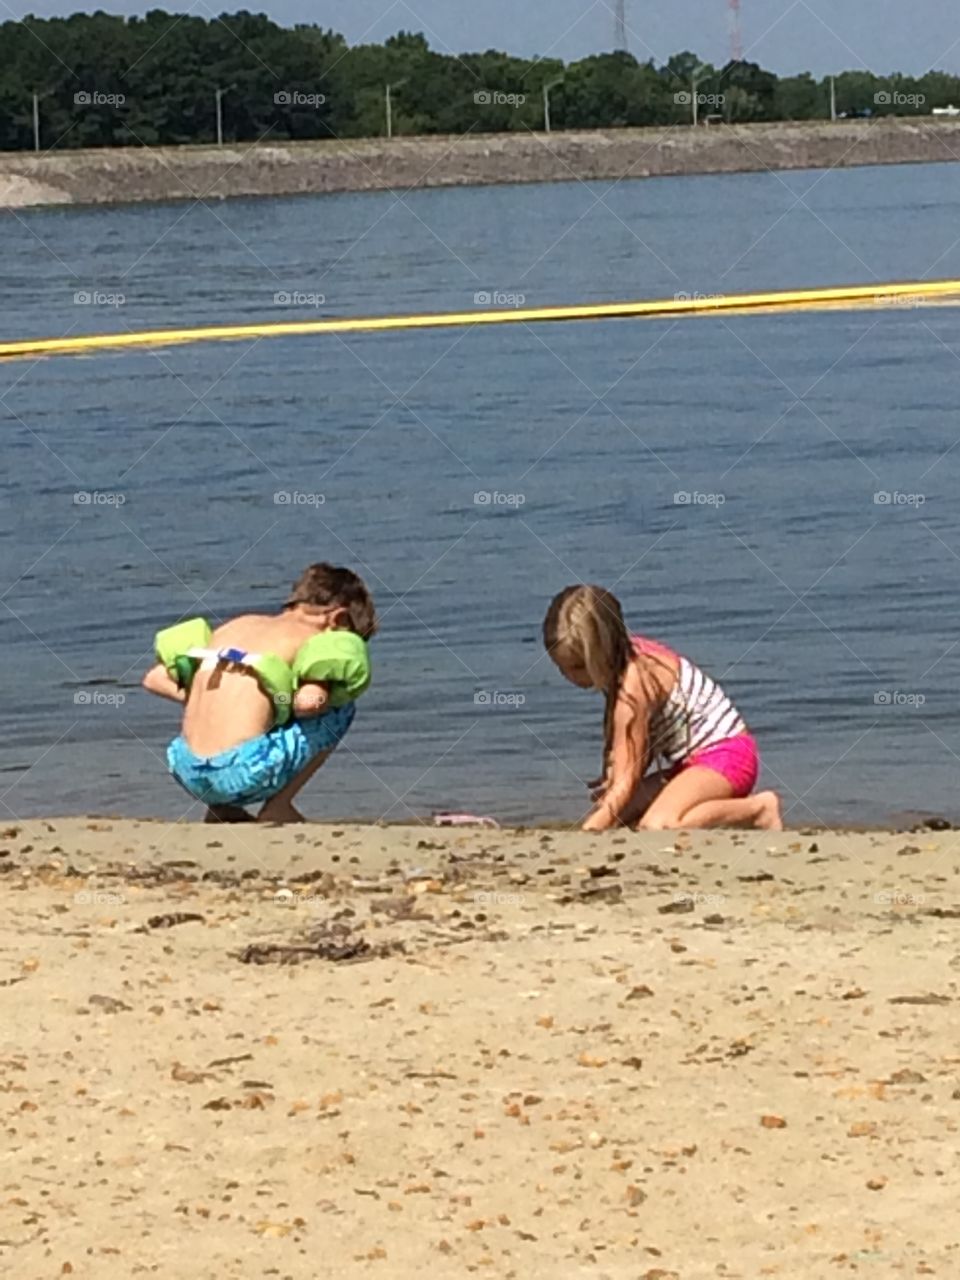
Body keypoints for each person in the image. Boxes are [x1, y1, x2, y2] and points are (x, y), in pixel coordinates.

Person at [142, 563, 376, 824]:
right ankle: (278, 806)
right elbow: (309, 703)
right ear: (338, 619)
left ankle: (221, 809)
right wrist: (283, 701)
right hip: (244, 772)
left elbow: (154, 679)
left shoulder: (238, 625)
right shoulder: (313, 640)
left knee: (231, 714)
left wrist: (227, 698)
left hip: (188, 770)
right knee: (341, 710)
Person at [543, 584, 781, 831]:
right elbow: (631, 752)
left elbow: (627, 778)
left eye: (578, 667)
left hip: (727, 756)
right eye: (560, 667)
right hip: (688, 765)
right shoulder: (629, 653)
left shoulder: (633, 689)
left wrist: (589, 832)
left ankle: (758, 810)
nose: (568, 676)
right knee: (623, 817)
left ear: (601, 653)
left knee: (657, 825)